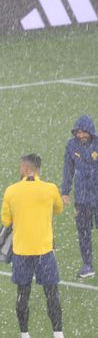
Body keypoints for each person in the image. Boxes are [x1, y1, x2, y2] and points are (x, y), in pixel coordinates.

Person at [1, 153, 80, 338]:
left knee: (22, 294)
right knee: (52, 294)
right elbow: (58, 209)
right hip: (44, 251)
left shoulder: (11, 190)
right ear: (37, 169)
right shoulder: (50, 189)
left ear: (26, 168)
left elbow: (6, 220)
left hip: (21, 251)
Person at [61, 114, 98, 278]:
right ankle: (87, 265)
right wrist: (65, 192)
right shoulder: (71, 146)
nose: (81, 135)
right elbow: (67, 169)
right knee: (83, 233)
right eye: (78, 132)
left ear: (90, 131)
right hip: (82, 200)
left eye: (84, 132)